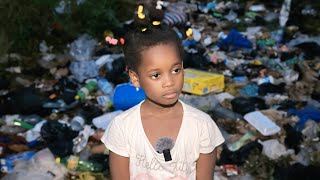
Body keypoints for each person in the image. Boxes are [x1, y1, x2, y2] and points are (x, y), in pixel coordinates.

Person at [101, 25, 224, 179]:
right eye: (156, 75)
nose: (169, 82)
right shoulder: (123, 128)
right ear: (135, 78)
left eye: (175, 70)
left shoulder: (202, 126)